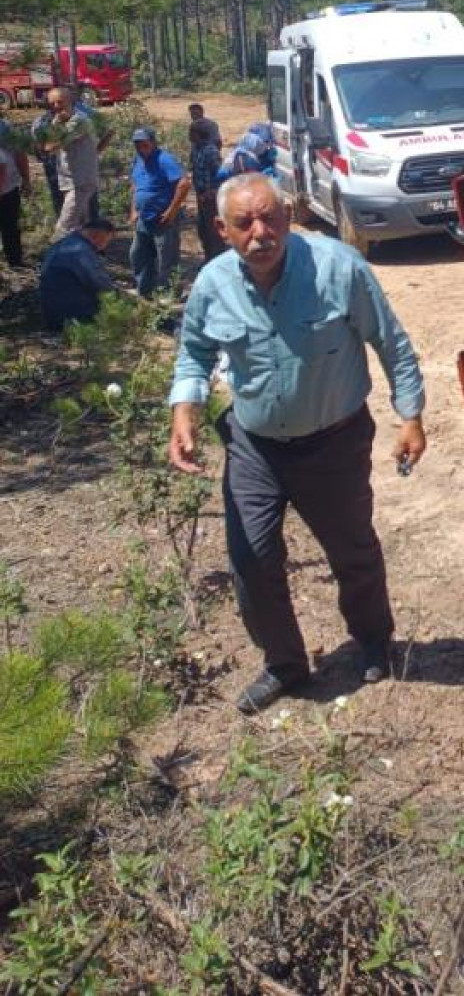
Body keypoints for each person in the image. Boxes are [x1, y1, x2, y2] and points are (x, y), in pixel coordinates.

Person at [168, 174, 425, 715]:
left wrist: (412, 417)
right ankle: (284, 663)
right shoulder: (214, 284)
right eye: (245, 223)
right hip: (254, 445)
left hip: (333, 442)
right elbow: (192, 353)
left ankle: (373, 639)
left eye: (271, 218)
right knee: (250, 558)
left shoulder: (338, 267)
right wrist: (183, 412)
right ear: (221, 229)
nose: (261, 232)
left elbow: (392, 342)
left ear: (287, 217)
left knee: (351, 549)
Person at [129, 126, 190, 296]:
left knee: (166, 258)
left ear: (153, 143)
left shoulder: (165, 159)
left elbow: (183, 183)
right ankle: (144, 290)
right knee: (138, 254)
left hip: (162, 217)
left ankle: (170, 293)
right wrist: (133, 210)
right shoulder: (138, 160)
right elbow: (135, 185)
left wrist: (171, 210)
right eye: (138, 145)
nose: (141, 148)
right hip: (144, 217)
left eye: (144, 144)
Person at [36, 87, 104, 236]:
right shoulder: (58, 121)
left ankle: (56, 256)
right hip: (69, 181)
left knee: (63, 227)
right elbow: (44, 146)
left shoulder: (79, 120)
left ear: (70, 101)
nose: (56, 106)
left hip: (81, 183)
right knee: (81, 227)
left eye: (59, 102)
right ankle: (85, 256)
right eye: (52, 103)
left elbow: (51, 145)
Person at [39, 216, 118, 331]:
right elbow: (100, 283)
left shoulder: (66, 242)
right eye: (106, 241)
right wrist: (120, 295)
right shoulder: (81, 251)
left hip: (51, 310)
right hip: (72, 314)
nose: (105, 246)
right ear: (97, 236)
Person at [189, 118, 227, 262]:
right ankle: (208, 258)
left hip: (210, 197)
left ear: (198, 134)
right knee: (203, 230)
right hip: (201, 195)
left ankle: (218, 259)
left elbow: (219, 176)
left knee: (213, 231)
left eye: (191, 132)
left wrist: (210, 193)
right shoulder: (196, 149)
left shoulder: (210, 151)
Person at [0, 118, 32, 268]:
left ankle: (15, 261)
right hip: (7, 185)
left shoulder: (6, 127)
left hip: (7, 187)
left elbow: (19, 153)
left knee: (10, 225)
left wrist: (26, 179)